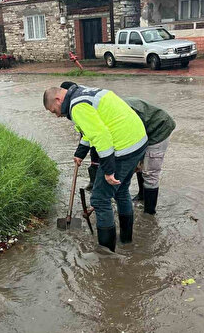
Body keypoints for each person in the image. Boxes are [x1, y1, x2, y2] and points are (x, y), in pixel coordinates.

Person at [44, 83, 147, 252]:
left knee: (100, 199)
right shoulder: (83, 93)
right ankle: (126, 241)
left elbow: (101, 136)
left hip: (124, 147)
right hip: (137, 142)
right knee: (121, 191)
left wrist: (108, 170)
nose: (56, 115)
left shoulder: (77, 107)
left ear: (58, 99)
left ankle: (106, 254)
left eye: (54, 111)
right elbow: (90, 130)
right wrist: (81, 152)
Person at [124, 97, 175, 215]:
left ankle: (149, 212)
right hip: (143, 128)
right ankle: (142, 195)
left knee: (150, 172)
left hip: (159, 128)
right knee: (139, 163)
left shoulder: (121, 116)